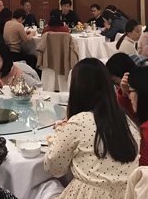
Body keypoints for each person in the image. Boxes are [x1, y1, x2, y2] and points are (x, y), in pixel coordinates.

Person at [44, 58, 139, 198]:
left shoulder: (79, 122)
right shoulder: (127, 121)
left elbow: (54, 167)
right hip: (127, 194)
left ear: (77, 88)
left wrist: (61, 132)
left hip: (87, 194)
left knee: (45, 188)